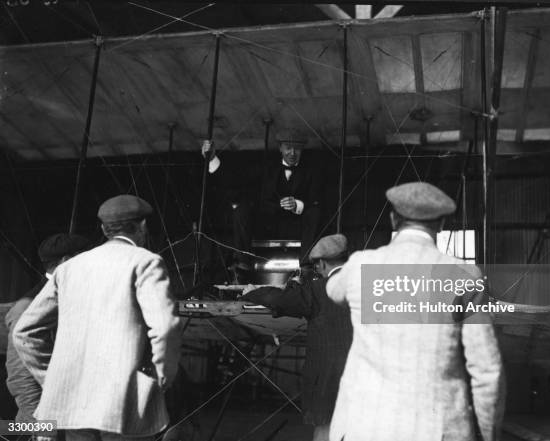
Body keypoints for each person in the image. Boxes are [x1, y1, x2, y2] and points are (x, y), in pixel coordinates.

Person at [326, 182, 505, 441]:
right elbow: (487, 370)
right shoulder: (464, 275)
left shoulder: (361, 264)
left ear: (393, 219)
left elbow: (334, 289)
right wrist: (489, 435)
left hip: (364, 428)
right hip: (436, 431)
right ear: (441, 224)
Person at [13, 194, 181, 441]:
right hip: (122, 403)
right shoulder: (146, 262)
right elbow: (165, 328)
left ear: (104, 229)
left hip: (71, 403)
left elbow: (23, 332)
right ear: (143, 227)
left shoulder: (69, 269)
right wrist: (161, 377)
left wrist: (53, 379)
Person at [241, 234, 353, 441]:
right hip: (364, 381)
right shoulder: (368, 285)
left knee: (325, 431)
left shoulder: (319, 289)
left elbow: (281, 300)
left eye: (316, 266)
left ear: (321, 263)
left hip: (329, 382)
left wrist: (251, 292)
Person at [202, 128, 324, 267]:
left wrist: (298, 205)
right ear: (280, 148)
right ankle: (242, 263)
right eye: (288, 148)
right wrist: (212, 159)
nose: (292, 153)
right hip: (267, 226)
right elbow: (235, 180)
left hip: (297, 227)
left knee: (315, 212)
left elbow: (317, 200)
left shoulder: (311, 172)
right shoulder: (267, 168)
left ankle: (306, 266)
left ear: (302, 150)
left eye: (297, 149)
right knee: (242, 208)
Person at [5, 233, 91, 422]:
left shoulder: (73, 296)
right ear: (67, 261)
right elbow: (20, 376)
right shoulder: (30, 307)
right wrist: (40, 426)